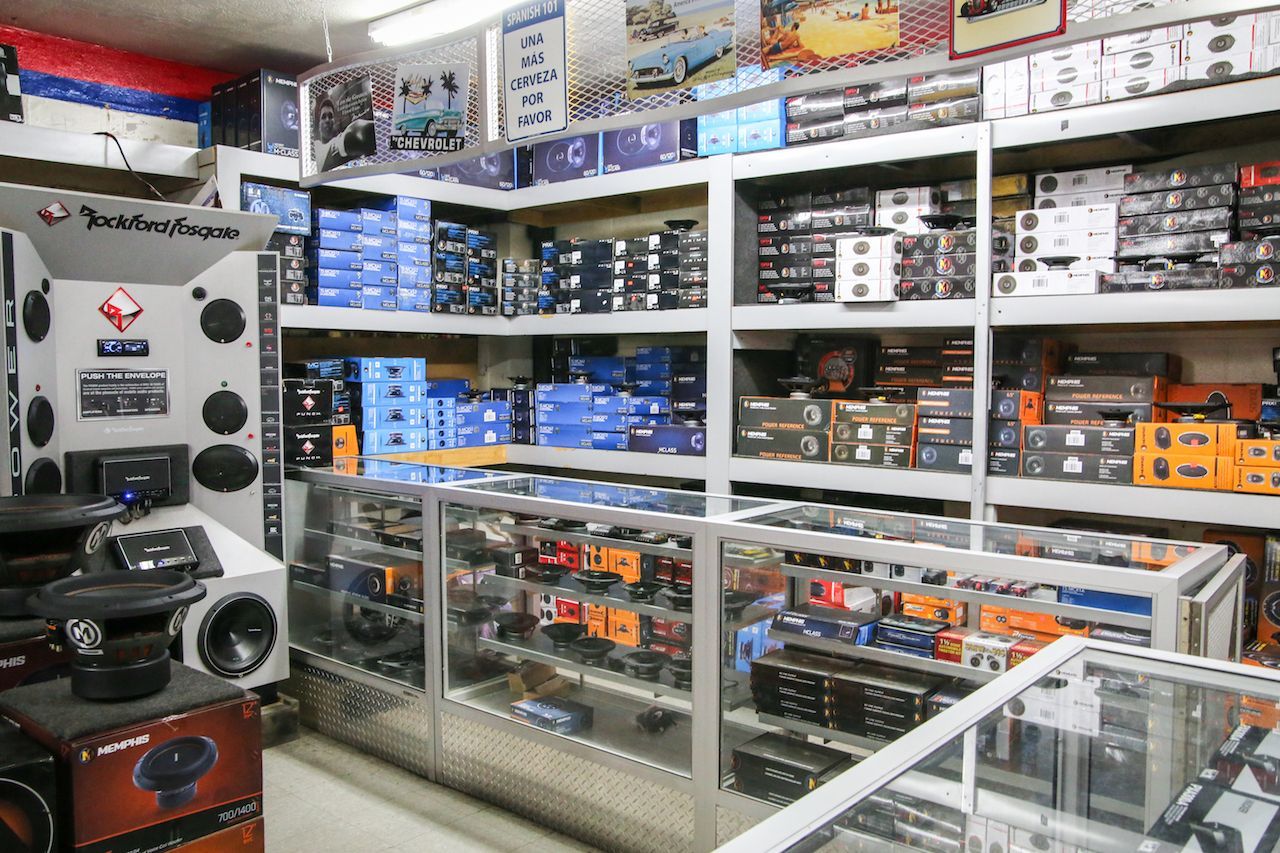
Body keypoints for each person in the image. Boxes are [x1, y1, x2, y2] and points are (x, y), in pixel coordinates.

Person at [312, 95, 374, 171]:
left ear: (334, 120)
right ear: (319, 122)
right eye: (323, 117)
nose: (327, 120)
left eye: (330, 116)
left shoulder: (340, 138)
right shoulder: (317, 148)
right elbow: (354, 134)